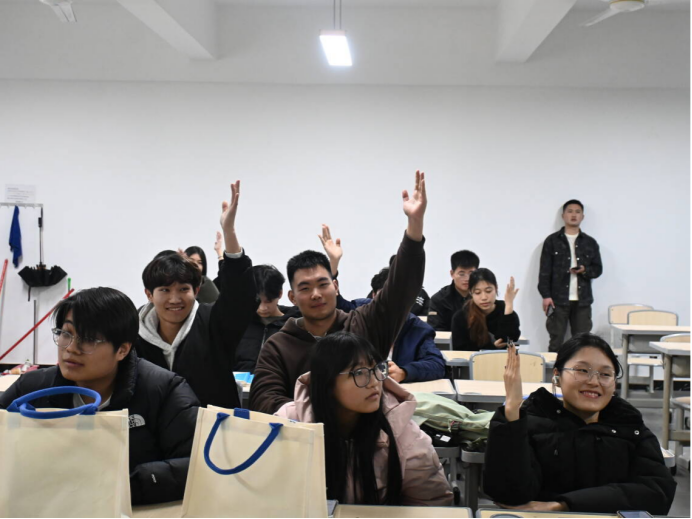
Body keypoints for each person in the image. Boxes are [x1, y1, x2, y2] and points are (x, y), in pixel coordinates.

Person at [0, 288, 199, 506]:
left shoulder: (163, 390)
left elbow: (195, 464)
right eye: (66, 333)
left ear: (122, 350)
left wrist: (122, 485)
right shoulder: (31, 389)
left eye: (88, 339)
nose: (71, 348)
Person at [250, 171, 428, 414]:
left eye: (323, 284)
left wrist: (414, 227)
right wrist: (320, 418)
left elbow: (400, 290)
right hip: (303, 435)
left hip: (366, 435)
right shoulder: (278, 346)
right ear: (292, 298)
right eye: (305, 288)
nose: (316, 294)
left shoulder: (363, 325)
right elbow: (264, 399)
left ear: (335, 286)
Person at [483, 334, 676, 515]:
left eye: (605, 374)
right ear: (557, 375)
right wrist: (512, 411)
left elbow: (657, 493)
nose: (594, 381)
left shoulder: (629, 426)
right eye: (582, 370)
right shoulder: (534, 424)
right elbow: (509, 493)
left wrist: (562, 505)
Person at [276, 332, 453, 506]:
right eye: (359, 372)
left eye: (376, 369)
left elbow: (431, 503)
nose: (374, 382)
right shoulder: (289, 424)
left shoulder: (402, 432)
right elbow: (272, 494)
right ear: (327, 382)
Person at [135, 181, 258, 409]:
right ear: (149, 294)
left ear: (197, 290)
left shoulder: (213, 323)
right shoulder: (132, 332)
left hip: (212, 427)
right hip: (154, 429)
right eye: (165, 290)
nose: (175, 299)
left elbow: (240, 296)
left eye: (183, 289)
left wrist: (229, 232)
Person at [320, 229, 444, 383]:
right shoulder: (360, 312)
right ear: (373, 295)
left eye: (398, 298)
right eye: (384, 297)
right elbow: (334, 304)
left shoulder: (418, 328)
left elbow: (437, 364)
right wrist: (333, 264)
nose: (391, 304)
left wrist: (404, 372)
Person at [539, 200, 603, 352]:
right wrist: (546, 295)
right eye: (570, 211)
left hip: (583, 301)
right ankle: (555, 368)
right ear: (563, 215)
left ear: (583, 216)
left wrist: (584, 270)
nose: (574, 215)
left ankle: (580, 368)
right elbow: (544, 271)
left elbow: (597, 269)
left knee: (582, 343)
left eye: (577, 212)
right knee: (556, 342)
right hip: (557, 300)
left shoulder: (590, 242)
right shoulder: (552, 241)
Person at [234, 264, 300, 373]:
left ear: (280, 294)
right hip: (240, 382)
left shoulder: (295, 324)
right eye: (257, 302)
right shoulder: (240, 322)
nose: (262, 308)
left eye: (268, 301)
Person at [451, 268, 520, 351]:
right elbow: (460, 350)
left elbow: (510, 338)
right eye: (477, 292)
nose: (484, 297)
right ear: (470, 293)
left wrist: (509, 305)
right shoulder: (461, 317)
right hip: (472, 359)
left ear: (496, 288)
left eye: (488, 291)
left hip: (502, 359)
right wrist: (492, 347)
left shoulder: (504, 310)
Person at [428, 250, 480, 331]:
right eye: (461, 274)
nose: (467, 278)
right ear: (452, 274)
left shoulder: (482, 297)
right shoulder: (439, 300)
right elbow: (436, 331)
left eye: (471, 273)